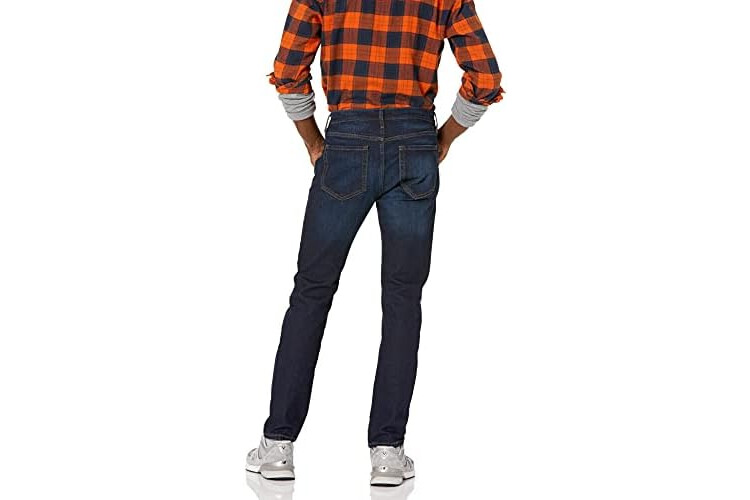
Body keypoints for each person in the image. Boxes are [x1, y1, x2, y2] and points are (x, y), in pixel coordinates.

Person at [246, 0, 503, 486]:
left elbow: (288, 71)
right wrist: (444, 138)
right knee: (403, 300)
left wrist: (313, 142)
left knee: (312, 292)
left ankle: (278, 446)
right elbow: (485, 77)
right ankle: (388, 453)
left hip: (347, 141)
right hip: (415, 144)